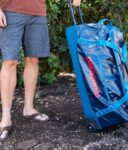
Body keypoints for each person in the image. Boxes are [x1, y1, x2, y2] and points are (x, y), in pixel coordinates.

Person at [0, 0, 81, 140]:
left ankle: (29, 108)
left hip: (37, 11)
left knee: (33, 60)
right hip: (9, 10)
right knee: (10, 62)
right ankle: (6, 117)